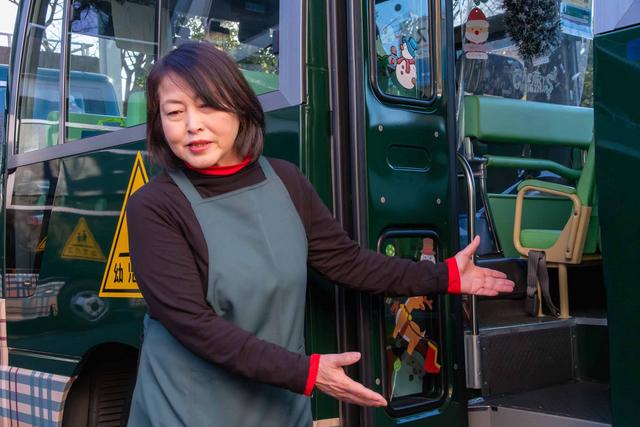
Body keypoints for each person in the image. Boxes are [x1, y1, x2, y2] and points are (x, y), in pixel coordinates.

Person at [126, 42, 514, 427]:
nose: (192, 125)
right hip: (189, 408)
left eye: (207, 106)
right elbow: (195, 325)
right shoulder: (154, 206)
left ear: (239, 106)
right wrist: (307, 372)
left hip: (278, 405)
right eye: (174, 112)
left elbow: (347, 262)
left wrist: (444, 276)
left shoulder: (285, 181)